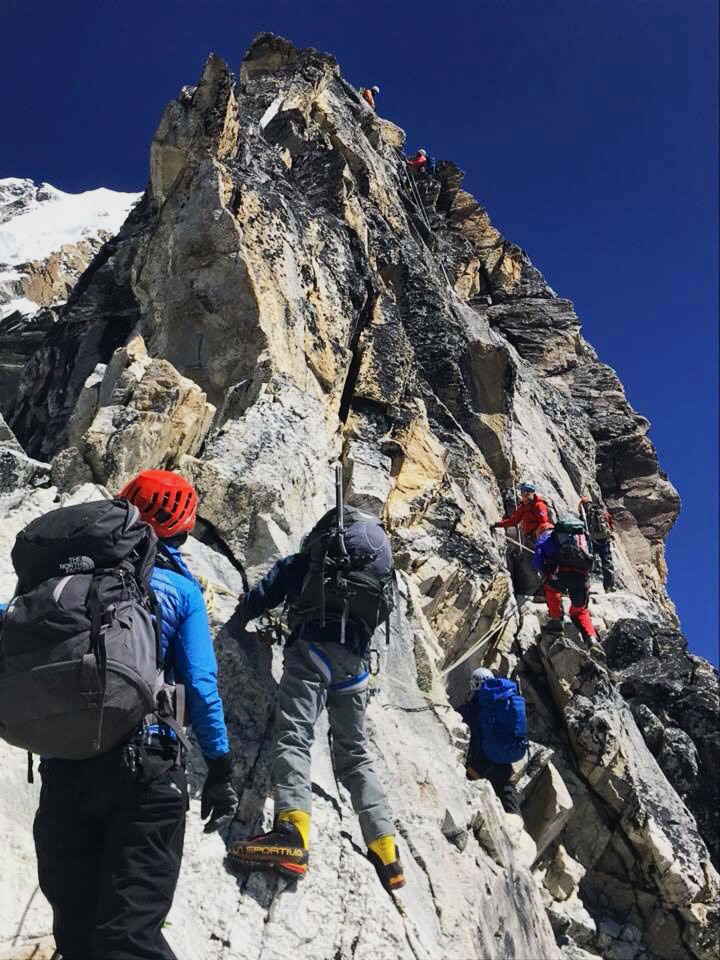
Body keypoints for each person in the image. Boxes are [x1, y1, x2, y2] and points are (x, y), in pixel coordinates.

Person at [29, 471, 238, 960]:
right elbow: (202, 687)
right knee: (129, 938)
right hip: (144, 771)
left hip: (65, 768)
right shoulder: (178, 591)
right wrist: (220, 767)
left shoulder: (64, 579)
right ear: (181, 529)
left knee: (77, 936)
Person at [226, 506, 405, 893]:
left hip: (313, 654)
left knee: (294, 736)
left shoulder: (308, 563)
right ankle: (386, 850)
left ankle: (292, 835)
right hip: (356, 666)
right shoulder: (373, 574)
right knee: (355, 756)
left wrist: (238, 614)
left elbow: (263, 595)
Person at [456, 668, 524, 819]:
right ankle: (519, 829)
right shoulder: (502, 704)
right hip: (504, 765)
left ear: (473, 685)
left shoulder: (469, 710)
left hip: (479, 767)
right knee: (509, 803)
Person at [533, 515, 598, 642]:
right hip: (581, 576)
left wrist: (547, 572)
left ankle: (557, 622)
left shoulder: (545, 539)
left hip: (560, 575)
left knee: (551, 590)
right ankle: (591, 639)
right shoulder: (578, 537)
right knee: (580, 610)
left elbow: (537, 562)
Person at [579, 496, 616, 592]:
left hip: (591, 540)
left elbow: (581, 525)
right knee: (607, 561)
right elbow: (609, 521)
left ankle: (585, 585)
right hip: (604, 539)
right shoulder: (601, 510)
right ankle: (609, 586)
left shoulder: (584, 512)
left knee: (588, 562)